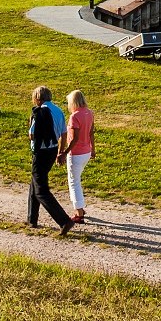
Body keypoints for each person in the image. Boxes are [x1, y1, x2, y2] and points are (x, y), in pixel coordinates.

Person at [26, 86, 74, 235]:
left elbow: (32, 135)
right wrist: (61, 152)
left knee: (41, 190)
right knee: (35, 182)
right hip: (53, 150)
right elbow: (63, 134)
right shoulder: (58, 110)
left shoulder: (40, 111)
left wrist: (30, 123)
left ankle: (64, 220)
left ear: (38, 99)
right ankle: (31, 219)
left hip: (41, 151)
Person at [63, 89, 94, 225]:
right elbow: (91, 132)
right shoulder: (89, 113)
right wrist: (93, 149)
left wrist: (65, 151)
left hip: (76, 153)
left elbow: (74, 138)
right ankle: (80, 207)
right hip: (86, 151)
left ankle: (79, 212)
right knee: (77, 180)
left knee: (74, 182)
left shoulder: (74, 116)